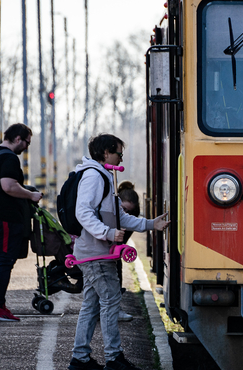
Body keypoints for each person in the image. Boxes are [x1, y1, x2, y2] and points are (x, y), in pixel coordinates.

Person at [68, 133, 170, 370]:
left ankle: (80, 359)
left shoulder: (103, 175)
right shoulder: (94, 176)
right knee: (111, 300)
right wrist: (107, 233)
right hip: (96, 254)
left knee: (92, 306)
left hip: (95, 252)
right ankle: (113, 358)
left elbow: (119, 216)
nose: (120, 156)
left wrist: (149, 224)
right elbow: (83, 212)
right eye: (118, 153)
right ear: (106, 153)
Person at [0, 123, 43, 322]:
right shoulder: (9, 158)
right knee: (4, 261)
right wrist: (30, 195)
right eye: (26, 143)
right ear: (17, 139)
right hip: (4, 217)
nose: (26, 147)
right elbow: (8, 186)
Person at [115, 181, 141, 322]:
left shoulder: (133, 215)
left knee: (117, 271)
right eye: (123, 209)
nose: (126, 214)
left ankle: (114, 308)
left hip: (115, 249)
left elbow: (122, 241)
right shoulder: (108, 208)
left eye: (129, 211)